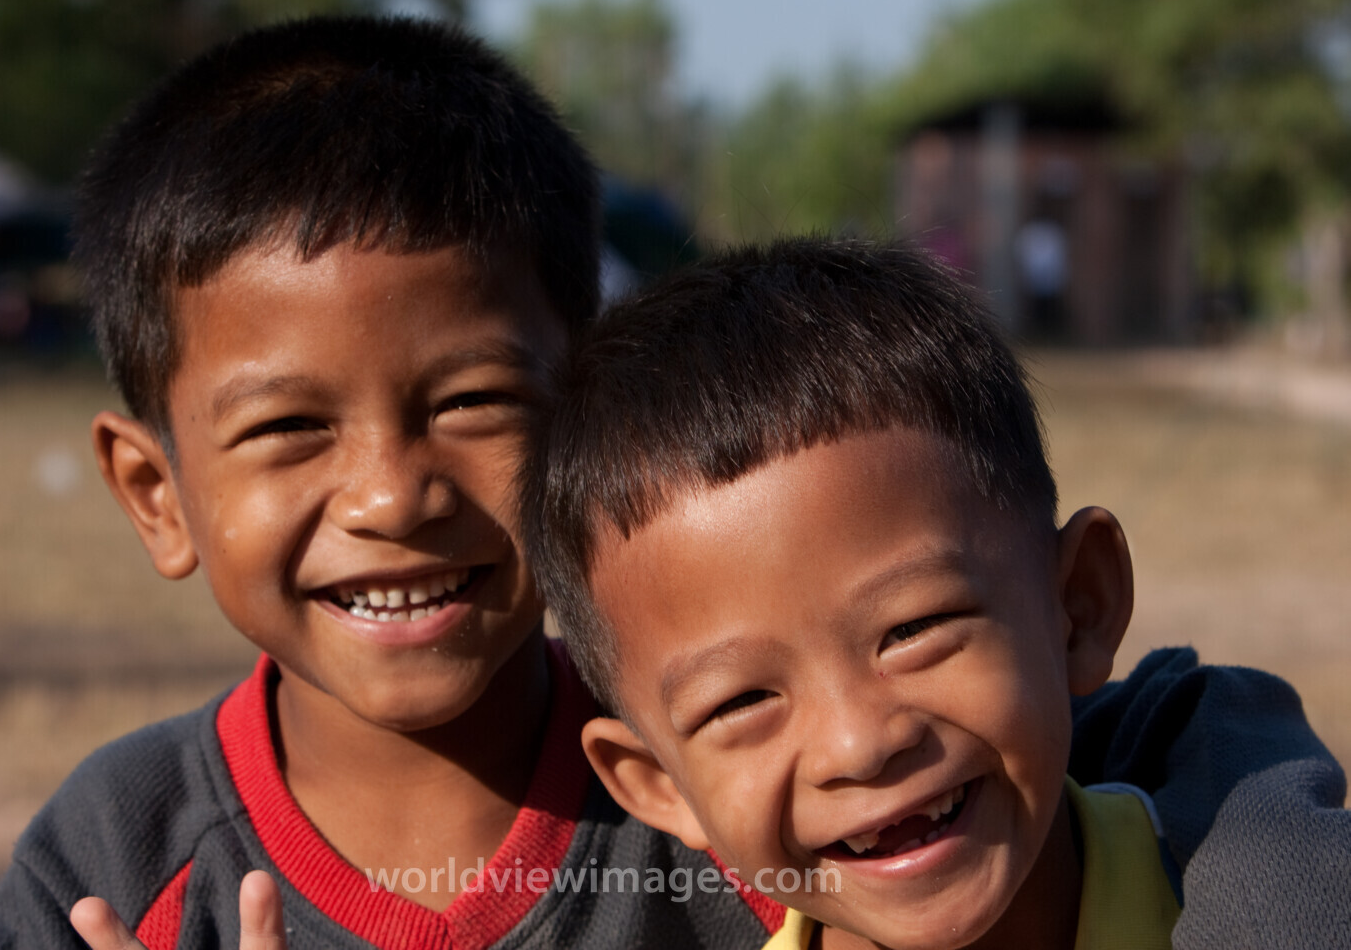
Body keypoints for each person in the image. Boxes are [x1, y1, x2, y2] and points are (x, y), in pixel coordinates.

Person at [0, 17, 1344, 947]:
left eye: (471, 402)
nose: (391, 493)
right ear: (155, 493)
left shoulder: (760, 782)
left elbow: (1184, 734)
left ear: (589, 410)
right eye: (287, 430)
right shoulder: (113, 867)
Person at [523, 236, 1351, 949]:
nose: (859, 744)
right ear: (660, 785)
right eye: (741, 702)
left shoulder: (1254, 887)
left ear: (1081, 606)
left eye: (915, 628)